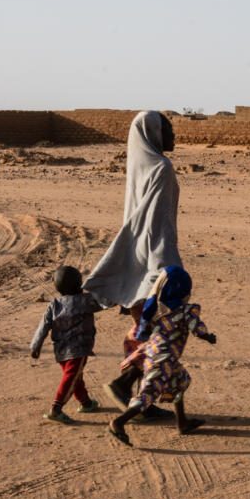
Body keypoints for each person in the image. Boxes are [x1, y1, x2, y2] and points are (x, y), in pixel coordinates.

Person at [84, 110, 180, 420]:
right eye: (168, 130)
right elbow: (156, 225)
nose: (174, 136)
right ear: (153, 134)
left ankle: (140, 399)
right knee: (162, 335)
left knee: (147, 332)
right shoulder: (162, 168)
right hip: (154, 260)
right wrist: (166, 268)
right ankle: (125, 386)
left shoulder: (139, 167)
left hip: (135, 259)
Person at [110, 266, 217, 446]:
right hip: (163, 360)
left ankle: (182, 422)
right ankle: (118, 422)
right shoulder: (186, 310)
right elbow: (197, 328)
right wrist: (208, 336)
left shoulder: (160, 311)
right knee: (148, 394)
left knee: (181, 380)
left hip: (155, 355)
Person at [29, 265, 107, 423]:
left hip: (60, 350)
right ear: (79, 284)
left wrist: (35, 345)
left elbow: (43, 326)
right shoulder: (85, 300)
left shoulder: (54, 304)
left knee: (75, 377)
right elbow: (105, 302)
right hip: (78, 349)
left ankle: (86, 403)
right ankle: (56, 409)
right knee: (71, 377)